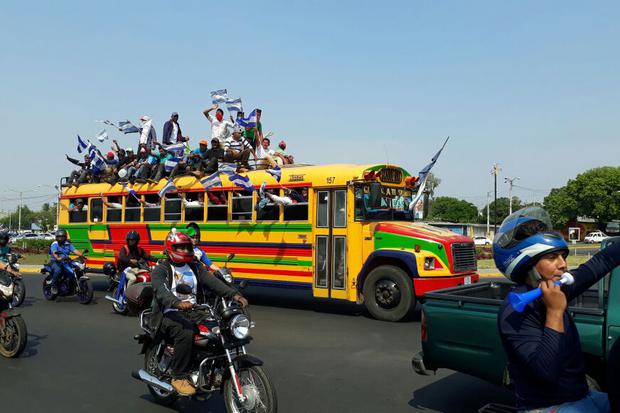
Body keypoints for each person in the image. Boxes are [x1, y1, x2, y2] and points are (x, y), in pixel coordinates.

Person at [495, 206, 620, 412]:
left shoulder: (555, 288)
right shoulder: (514, 311)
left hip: (582, 394)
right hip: (549, 406)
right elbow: (546, 372)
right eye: (552, 258)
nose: (563, 265)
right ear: (528, 265)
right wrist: (555, 312)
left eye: (563, 256)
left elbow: (599, 263)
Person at [150, 231, 248, 395]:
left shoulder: (195, 267)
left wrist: (234, 294)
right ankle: (178, 376)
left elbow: (214, 282)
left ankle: (216, 369)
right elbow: (161, 291)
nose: (185, 251)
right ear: (170, 248)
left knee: (221, 330)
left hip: (194, 310)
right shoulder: (162, 269)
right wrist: (177, 303)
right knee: (186, 332)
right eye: (180, 248)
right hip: (169, 312)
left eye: (187, 247)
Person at [47, 229, 86, 294]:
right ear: (56, 237)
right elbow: (54, 252)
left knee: (76, 268)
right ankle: (53, 286)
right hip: (55, 261)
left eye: (62, 237)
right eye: (59, 237)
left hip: (66, 260)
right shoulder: (55, 244)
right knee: (58, 270)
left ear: (65, 237)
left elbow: (75, 250)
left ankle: (71, 284)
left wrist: (81, 255)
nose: (61, 238)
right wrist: (57, 258)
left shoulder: (68, 244)